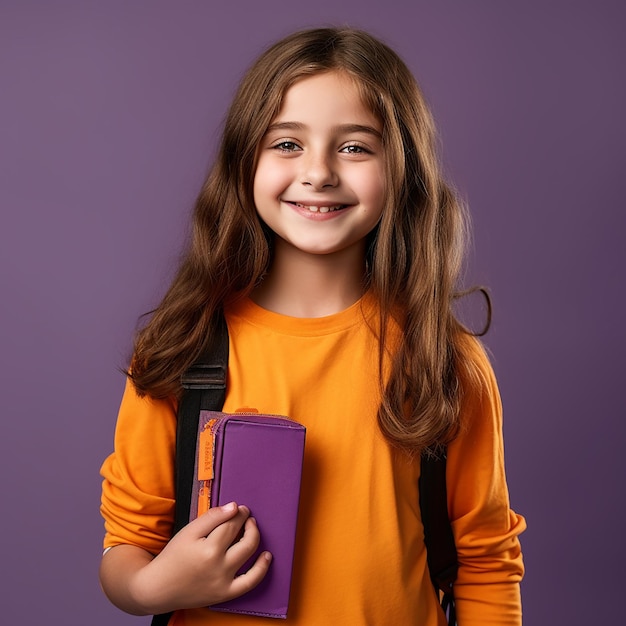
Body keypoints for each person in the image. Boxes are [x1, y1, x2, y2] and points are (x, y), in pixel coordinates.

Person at [99, 27, 526, 626]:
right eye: (287, 144)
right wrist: (150, 588)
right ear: (245, 160)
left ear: (401, 167)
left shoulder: (443, 361)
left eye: (354, 147)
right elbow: (125, 551)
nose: (319, 172)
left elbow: (485, 561)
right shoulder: (182, 351)